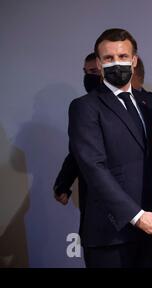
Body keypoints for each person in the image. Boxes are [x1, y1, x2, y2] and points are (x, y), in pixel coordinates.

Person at [68, 28, 152, 268]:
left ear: (134, 60)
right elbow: (93, 167)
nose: (117, 63)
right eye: (109, 58)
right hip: (111, 235)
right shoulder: (85, 107)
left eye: (123, 57)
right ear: (99, 63)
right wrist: (136, 216)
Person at [53, 53, 102, 205]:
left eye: (94, 72)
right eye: (86, 72)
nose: (88, 77)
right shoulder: (82, 107)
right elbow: (78, 151)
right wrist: (63, 183)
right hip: (92, 197)